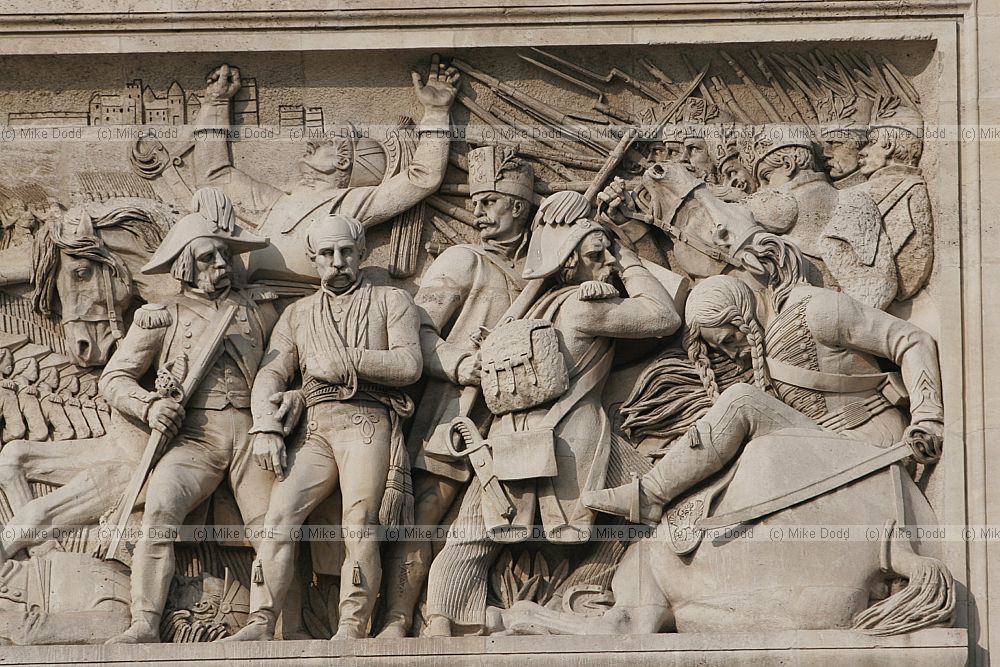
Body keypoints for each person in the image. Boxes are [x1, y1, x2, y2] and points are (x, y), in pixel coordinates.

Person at [424, 191, 682, 637]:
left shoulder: (535, 308)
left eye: (606, 254)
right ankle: (582, 595)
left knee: (471, 536)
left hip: (509, 436)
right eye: (596, 255)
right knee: (656, 505)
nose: (606, 263)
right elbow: (662, 317)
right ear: (570, 262)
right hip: (574, 436)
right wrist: (629, 261)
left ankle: (442, 621)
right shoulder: (584, 307)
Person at [584, 274, 944, 525]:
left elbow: (912, 341)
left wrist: (927, 417)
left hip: (869, 439)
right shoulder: (764, 351)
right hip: (826, 447)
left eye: (726, 341)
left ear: (741, 318)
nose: (732, 354)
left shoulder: (818, 311)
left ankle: (650, 495)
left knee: (741, 401)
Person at [99, 189, 296, 643]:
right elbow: (114, 379)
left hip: (253, 433)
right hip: (195, 439)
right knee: (161, 512)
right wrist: (149, 405)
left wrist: (294, 399)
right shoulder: (159, 317)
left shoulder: (260, 308)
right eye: (209, 258)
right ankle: (145, 622)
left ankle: (264, 624)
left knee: (272, 524)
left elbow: (296, 365)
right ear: (185, 265)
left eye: (225, 256)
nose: (222, 266)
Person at [225, 214, 422, 641]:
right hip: (316, 426)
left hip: (366, 421)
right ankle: (261, 620)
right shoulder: (298, 314)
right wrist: (265, 426)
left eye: (346, 252)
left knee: (359, 522)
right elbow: (270, 375)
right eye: (328, 254)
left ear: (361, 254)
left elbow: (409, 363)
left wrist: (347, 360)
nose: (338, 261)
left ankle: (352, 624)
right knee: (278, 517)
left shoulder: (392, 301)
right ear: (314, 260)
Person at [377, 146, 536, 637]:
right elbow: (417, 333)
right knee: (427, 513)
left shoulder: (546, 266)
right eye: (476, 202)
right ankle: (398, 617)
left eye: (490, 202)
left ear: (520, 207)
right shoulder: (462, 260)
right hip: (458, 411)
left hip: (522, 416)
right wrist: (463, 364)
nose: (478, 212)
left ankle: (459, 612)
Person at [192, 57, 459, 288]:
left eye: (326, 144)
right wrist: (216, 105)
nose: (312, 143)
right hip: (257, 302)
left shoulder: (347, 204)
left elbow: (422, 178)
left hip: (308, 305)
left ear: (343, 161)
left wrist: (436, 113)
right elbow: (214, 176)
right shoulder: (275, 203)